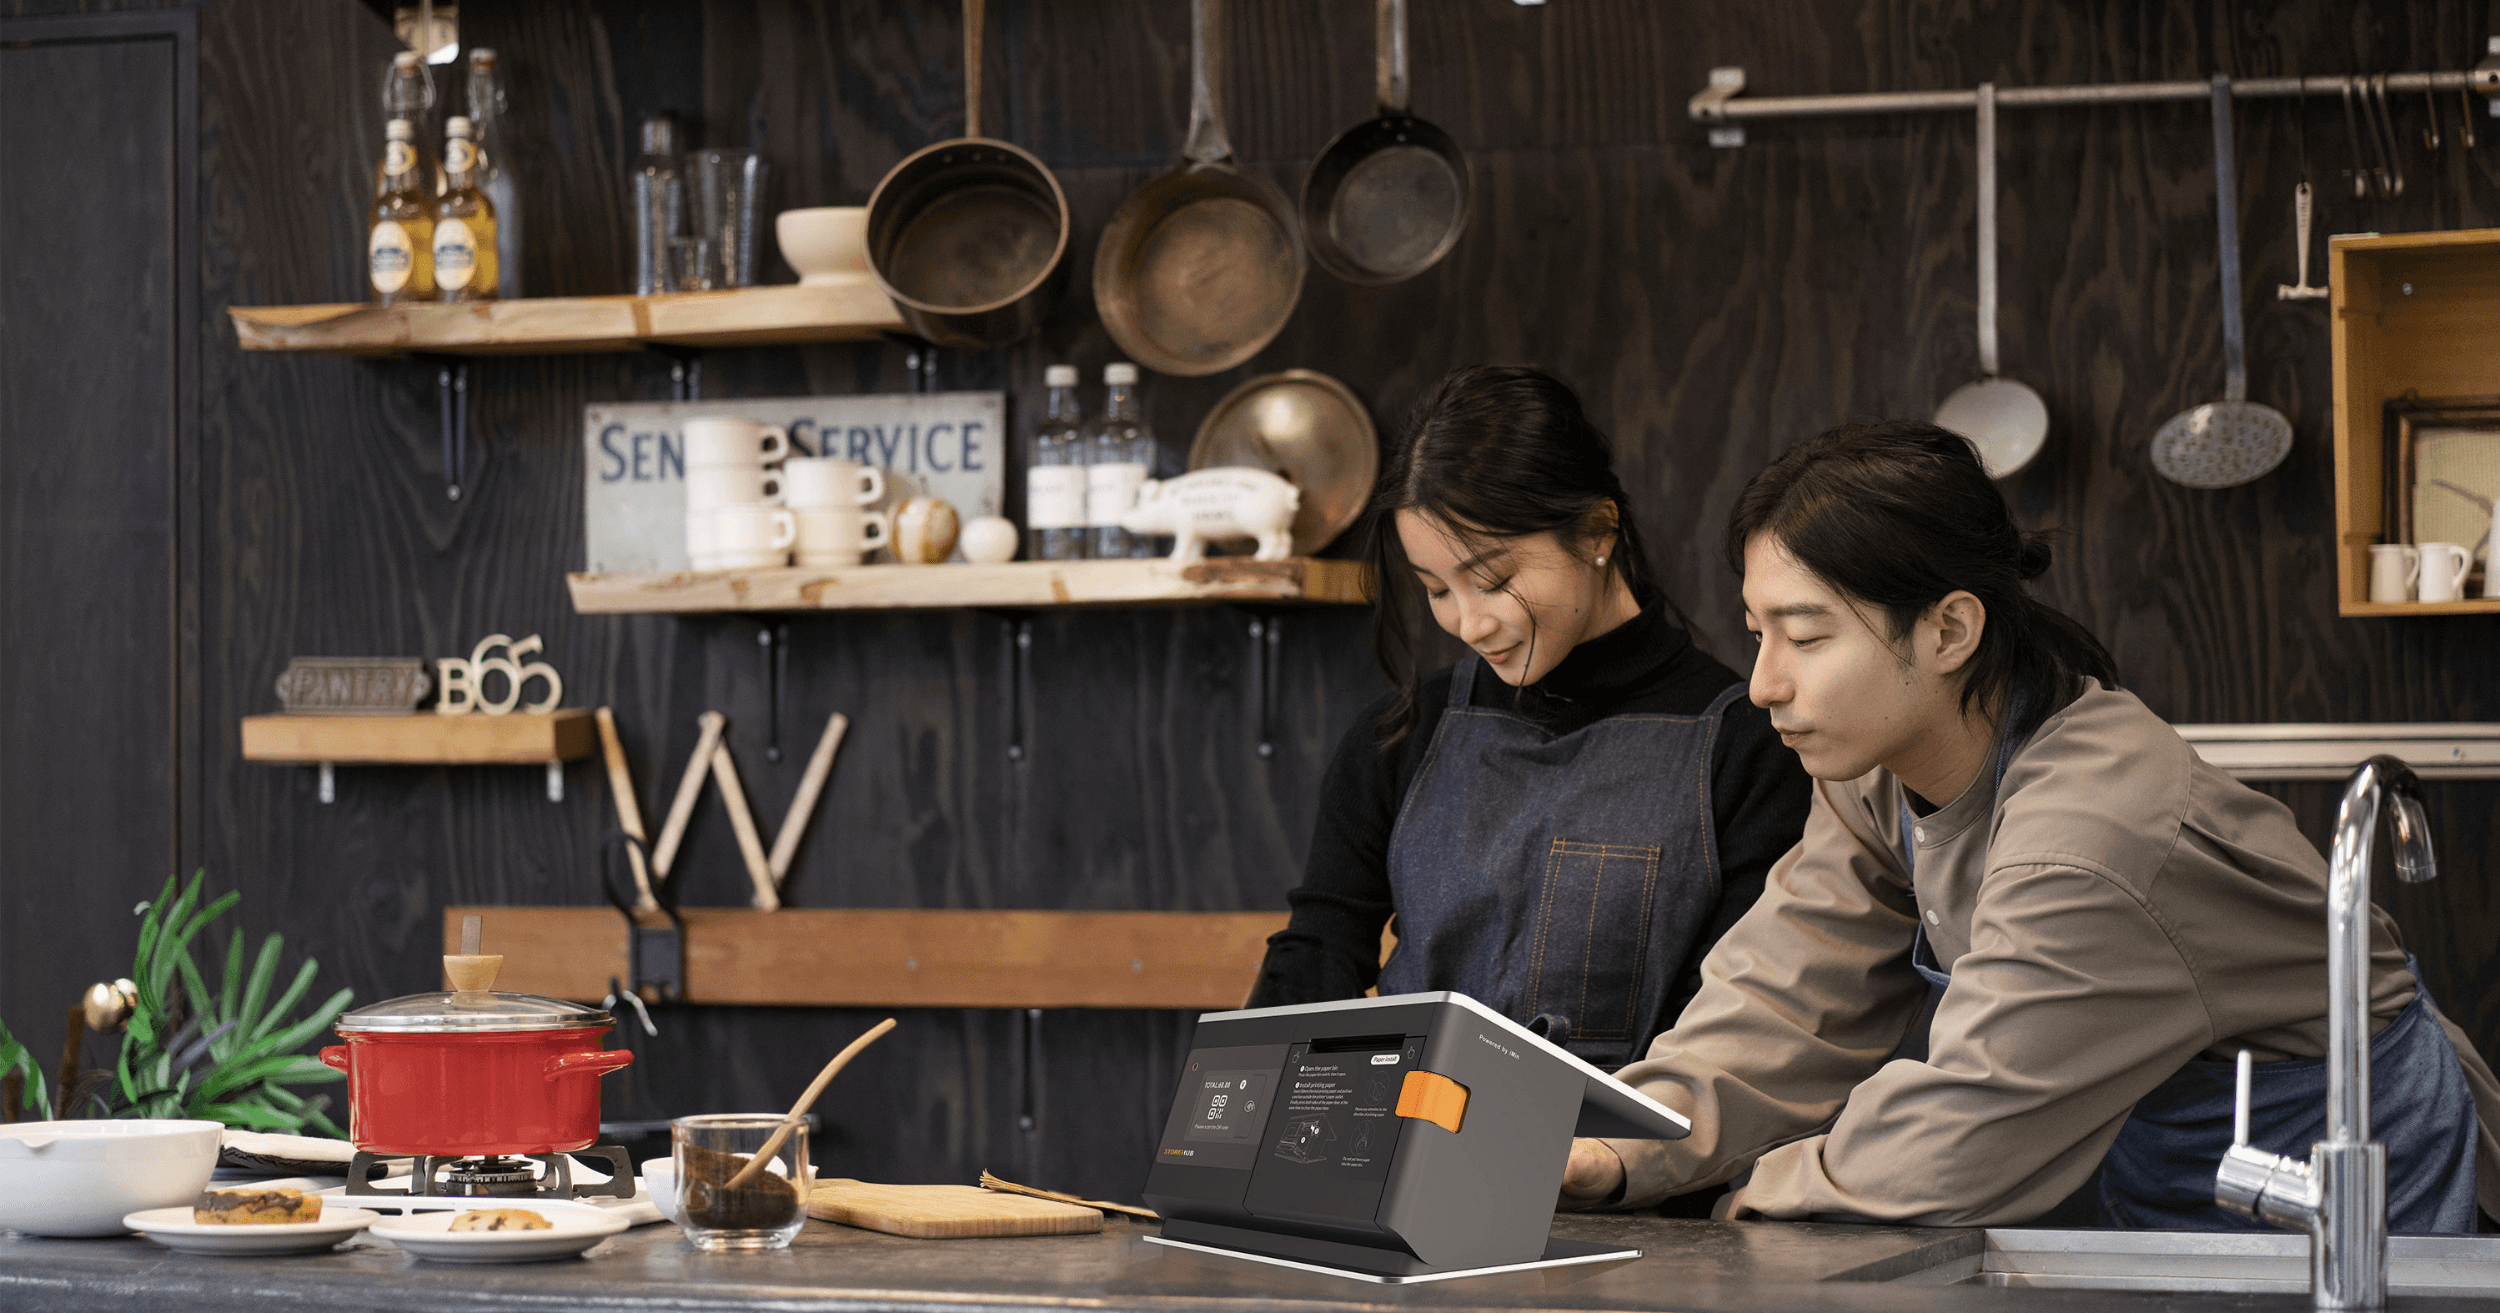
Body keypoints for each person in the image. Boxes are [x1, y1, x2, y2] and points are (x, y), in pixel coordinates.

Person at [1560, 420, 2500, 1230]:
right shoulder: (1876, 769)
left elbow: (1961, 1130)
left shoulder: (2091, 839)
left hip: (2361, 1171)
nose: (1763, 682)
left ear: (1950, 630)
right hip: (2180, 1170)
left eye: (1805, 637)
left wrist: (1739, 1208)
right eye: (1757, 630)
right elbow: (1783, 999)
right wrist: (1620, 1143)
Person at [1246, 365, 1812, 1081]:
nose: (1470, 622)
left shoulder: (1745, 747)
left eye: (1494, 578)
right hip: (1398, 1153)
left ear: (1597, 530)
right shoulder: (1401, 735)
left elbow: (1726, 1033)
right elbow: (1319, 949)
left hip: (1617, 1175)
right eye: (1436, 590)